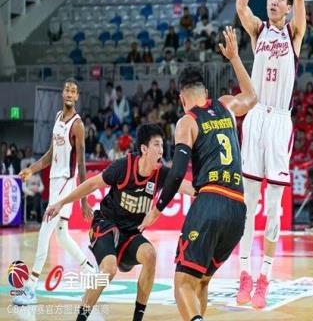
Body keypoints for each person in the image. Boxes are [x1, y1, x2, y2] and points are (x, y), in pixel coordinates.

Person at [139, 26, 257, 321]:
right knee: (201, 280)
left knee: (182, 282)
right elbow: (252, 96)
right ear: (206, 92)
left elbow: (177, 173)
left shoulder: (187, 122)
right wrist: (234, 58)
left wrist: (157, 209)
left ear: (182, 98)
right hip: (237, 209)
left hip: (210, 202)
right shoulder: (226, 105)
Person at [45, 123, 194, 321]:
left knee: (150, 255)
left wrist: (217, 190)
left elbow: (189, 188)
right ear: (144, 149)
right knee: (109, 269)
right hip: (106, 224)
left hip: (130, 234)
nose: (161, 150)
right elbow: (92, 184)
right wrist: (61, 202)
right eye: (157, 145)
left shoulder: (162, 174)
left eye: (162, 145)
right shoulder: (124, 166)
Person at [235, 0, 306, 308]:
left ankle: (265, 278)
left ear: (288, 7)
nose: (274, 0)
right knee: (248, 202)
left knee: (274, 208)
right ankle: (244, 274)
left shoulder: (294, 34)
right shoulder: (258, 31)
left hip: (279, 121)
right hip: (256, 117)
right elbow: (240, 5)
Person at [13, 78, 95, 305]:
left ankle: (31, 287)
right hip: (55, 181)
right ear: (62, 93)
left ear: (77, 97)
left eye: (73, 91)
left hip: (66, 183)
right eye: (67, 89)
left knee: (44, 233)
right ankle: (90, 270)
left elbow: (81, 164)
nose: (69, 93)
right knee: (61, 234)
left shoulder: (77, 125)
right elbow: (51, 154)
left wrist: (83, 200)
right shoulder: (58, 117)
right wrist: (31, 169)